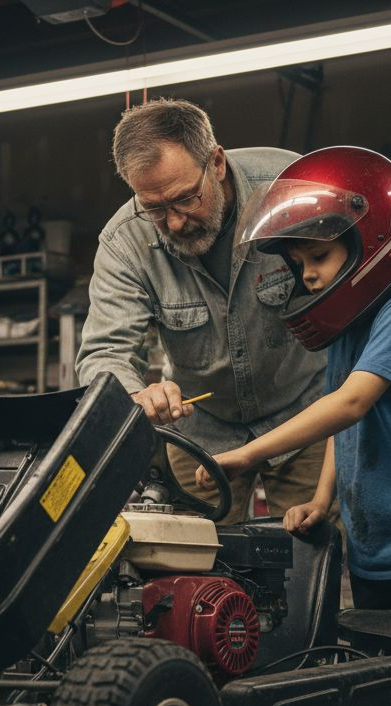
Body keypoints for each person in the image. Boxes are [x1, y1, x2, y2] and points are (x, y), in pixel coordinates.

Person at [194, 145, 391, 625]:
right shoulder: (348, 330)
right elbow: (344, 424)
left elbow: (352, 403)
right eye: (299, 265)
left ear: (373, 243)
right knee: (382, 663)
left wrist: (248, 454)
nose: (309, 276)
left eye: (319, 256)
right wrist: (322, 500)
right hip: (376, 549)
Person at [76, 98, 327, 525]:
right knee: (195, 558)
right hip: (202, 432)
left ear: (216, 163)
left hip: (304, 416)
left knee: (314, 550)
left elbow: (352, 289)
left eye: (184, 199)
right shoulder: (124, 243)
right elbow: (104, 352)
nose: (174, 222)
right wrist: (136, 395)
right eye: (154, 208)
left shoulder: (290, 187)